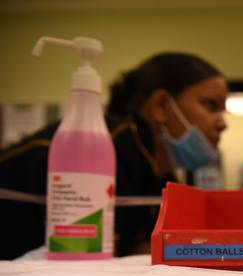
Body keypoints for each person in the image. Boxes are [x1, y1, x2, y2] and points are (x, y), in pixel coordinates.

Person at [0, 52, 228, 259]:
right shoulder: (102, 148)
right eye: (210, 105)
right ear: (160, 105)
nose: (223, 123)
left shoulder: (155, 170)